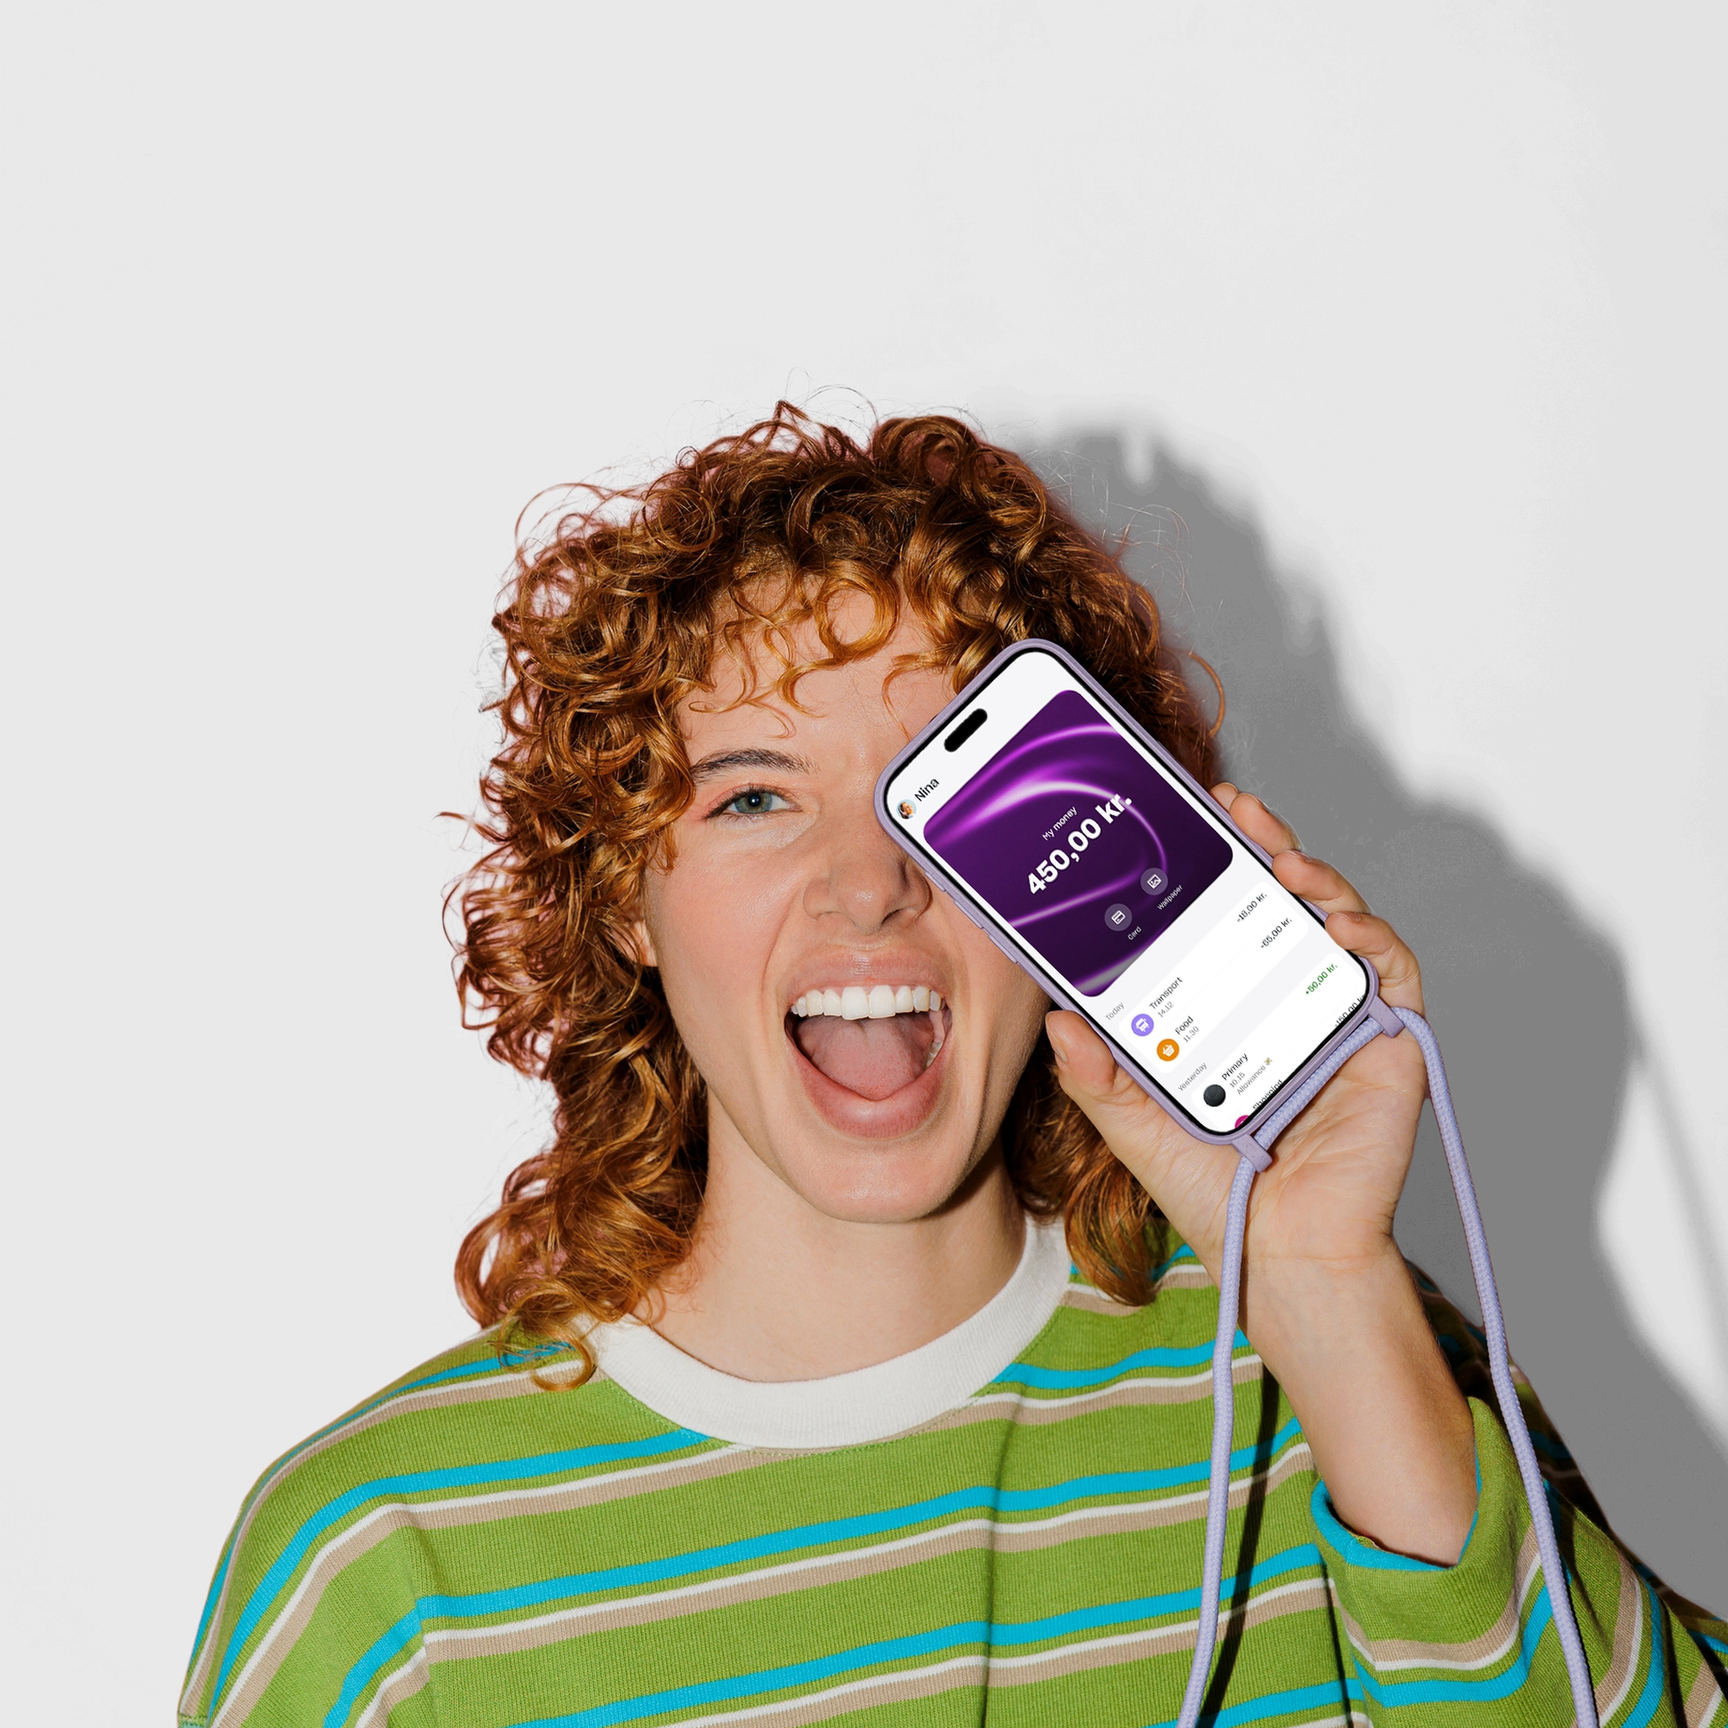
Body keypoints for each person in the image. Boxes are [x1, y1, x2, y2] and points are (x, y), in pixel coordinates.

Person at [180, 408, 1725, 1728]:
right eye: (752, 799)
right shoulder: (392, 1572)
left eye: (945, 792)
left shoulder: (1321, 1375)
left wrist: (1323, 1281)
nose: (870, 885)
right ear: (623, 908)